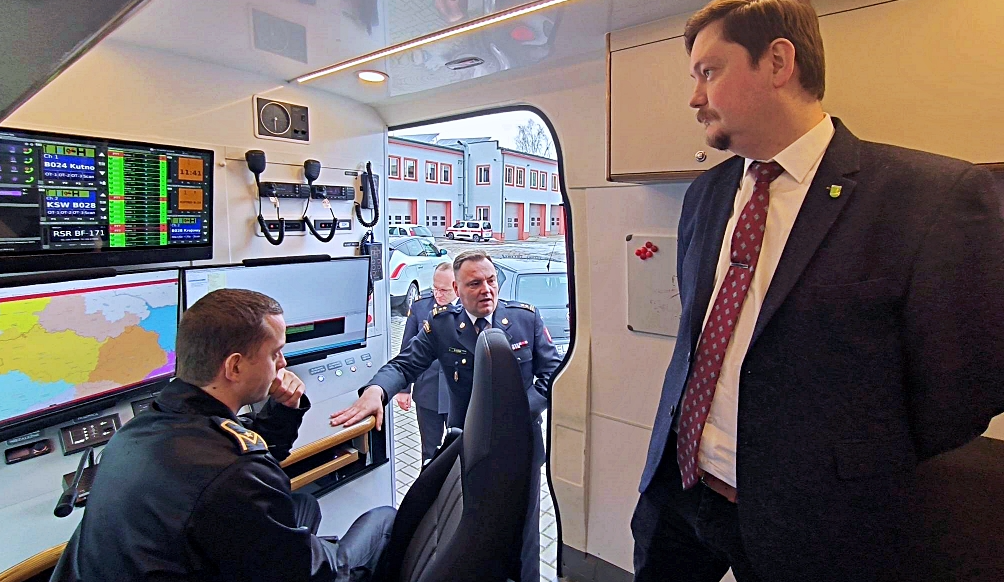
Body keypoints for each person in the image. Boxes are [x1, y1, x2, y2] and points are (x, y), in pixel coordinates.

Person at [632, 1, 1004, 581]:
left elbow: (966, 388)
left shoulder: (930, 198)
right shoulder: (706, 194)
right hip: (679, 489)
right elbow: (700, 334)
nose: (695, 97)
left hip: (812, 519)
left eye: (709, 71)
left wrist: (847, 463)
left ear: (778, 62)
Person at [54, 289, 396, 582]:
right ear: (234, 367)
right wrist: (324, 553)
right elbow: (309, 572)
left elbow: (242, 456)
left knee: (303, 505)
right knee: (383, 521)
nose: (283, 363)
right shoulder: (235, 471)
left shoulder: (143, 427)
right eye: (274, 353)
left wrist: (286, 407)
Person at [331, 250, 561, 582]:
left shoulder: (525, 318)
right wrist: (376, 391)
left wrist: (513, 412)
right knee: (470, 531)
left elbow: (552, 375)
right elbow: (405, 364)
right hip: (468, 447)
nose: (486, 290)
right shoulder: (443, 325)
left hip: (520, 447)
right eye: (475, 283)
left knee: (524, 537)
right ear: (456, 288)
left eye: (491, 281)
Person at [393, 262, 455, 463]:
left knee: (460, 451)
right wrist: (404, 389)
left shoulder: (470, 309)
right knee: (429, 452)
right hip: (428, 391)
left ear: (457, 286)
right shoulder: (420, 307)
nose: (438, 295)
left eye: (444, 290)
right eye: (435, 288)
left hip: (458, 394)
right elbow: (407, 349)